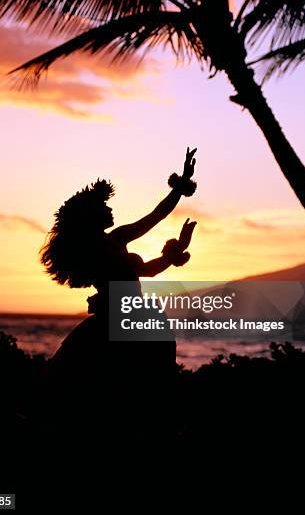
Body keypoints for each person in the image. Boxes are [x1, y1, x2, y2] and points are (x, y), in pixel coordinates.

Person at [37, 148, 197, 438]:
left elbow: (156, 222)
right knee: (117, 389)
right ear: (91, 217)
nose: (110, 210)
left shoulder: (117, 238)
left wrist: (182, 187)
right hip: (117, 324)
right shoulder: (97, 250)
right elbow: (142, 259)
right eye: (104, 208)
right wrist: (181, 186)